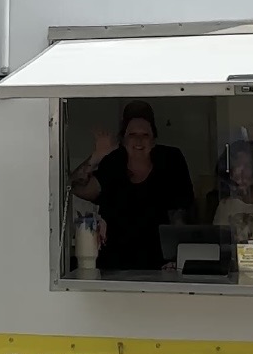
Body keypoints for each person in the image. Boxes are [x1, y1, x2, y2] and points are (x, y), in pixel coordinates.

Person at [70, 102, 195, 274]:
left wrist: (177, 258)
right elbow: (76, 187)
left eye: (145, 134)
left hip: (161, 268)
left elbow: (180, 215)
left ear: (154, 140)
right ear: (123, 139)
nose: (138, 140)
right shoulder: (113, 162)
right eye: (132, 134)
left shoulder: (171, 160)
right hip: (113, 267)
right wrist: (96, 156)